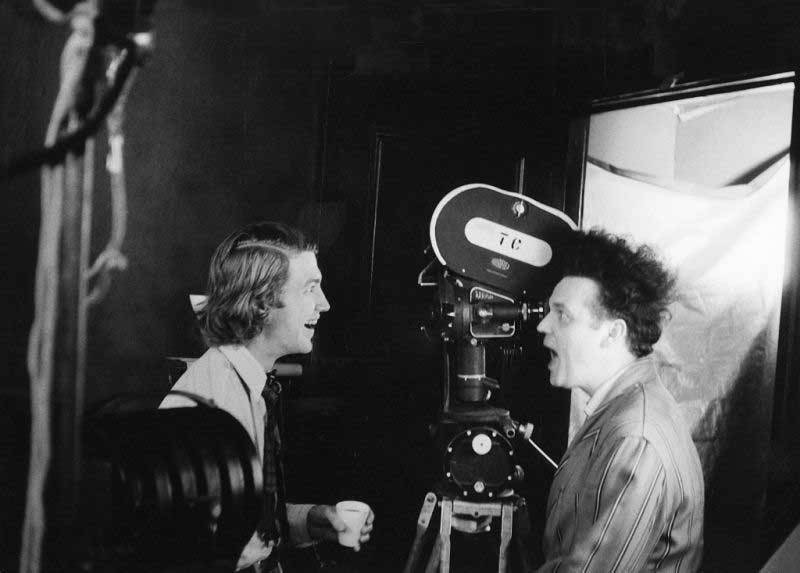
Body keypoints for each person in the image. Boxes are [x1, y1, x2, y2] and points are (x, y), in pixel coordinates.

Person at [161, 221, 374, 573]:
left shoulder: (250, 385)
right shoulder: (209, 409)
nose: (325, 304)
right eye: (309, 289)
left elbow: (241, 522)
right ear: (261, 301)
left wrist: (310, 520)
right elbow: (186, 551)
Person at [534, 229, 704, 572]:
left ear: (613, 332)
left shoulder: (636, 437)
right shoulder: (621, 409)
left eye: (561, 314)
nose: (542, 325)